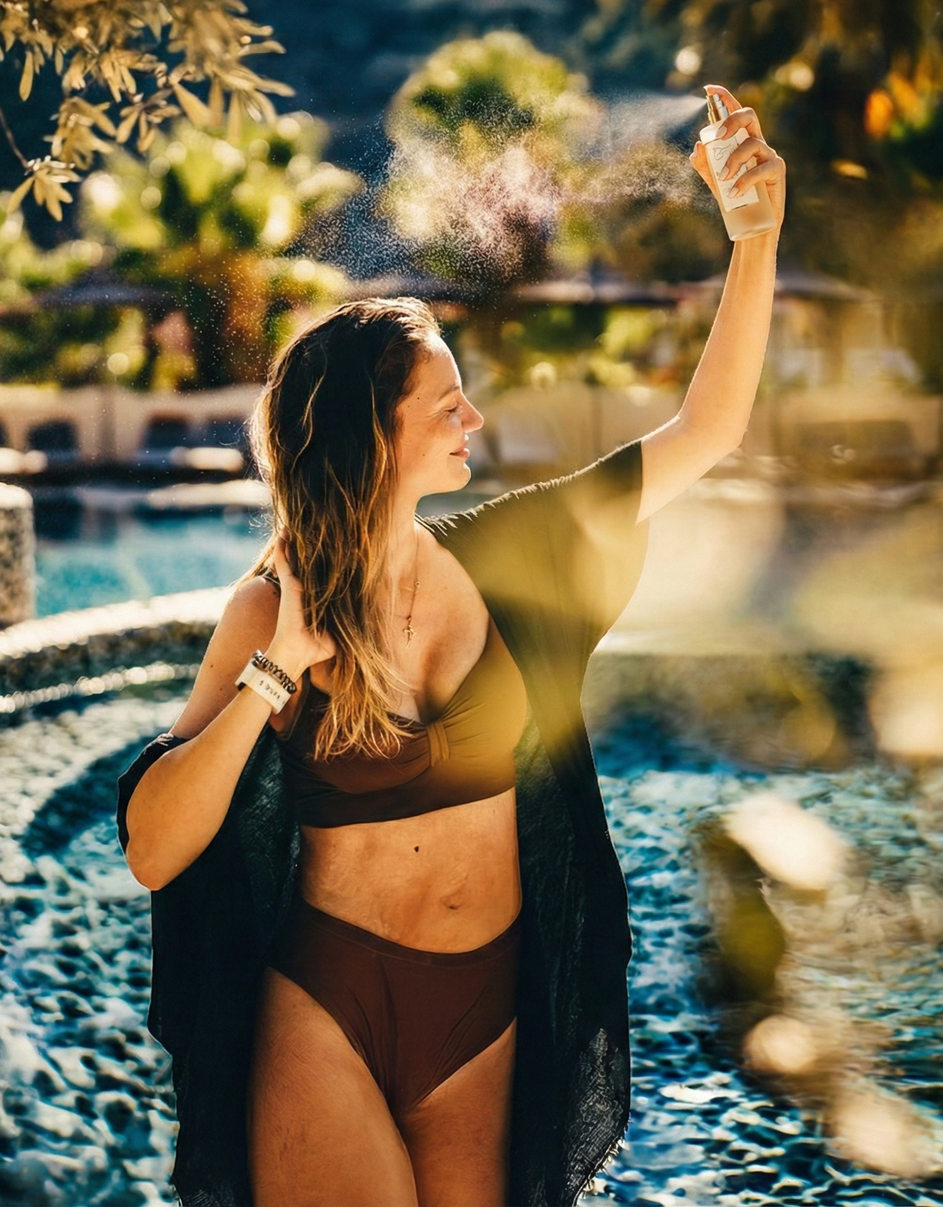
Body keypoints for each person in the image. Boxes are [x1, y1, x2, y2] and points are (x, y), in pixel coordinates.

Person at [116, 85, 785, 1207]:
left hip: (489, 1009)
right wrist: (274, 670)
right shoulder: (267, 606)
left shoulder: (517, 552)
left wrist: (754, 239)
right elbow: (153, 847)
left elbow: (704, 430)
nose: (474, 423)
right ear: (373, 433)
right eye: (448, 405)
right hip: (326, 1000)